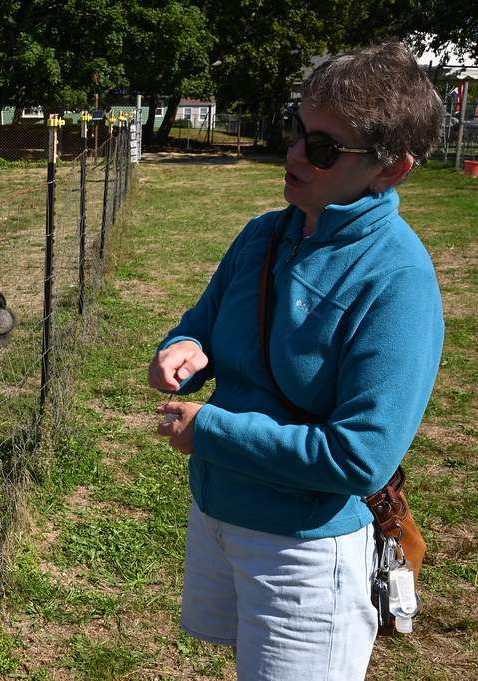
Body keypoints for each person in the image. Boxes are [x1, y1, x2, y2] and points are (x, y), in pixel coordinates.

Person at [147, 42, 444, 680]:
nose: (292, 155)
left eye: (323, 148)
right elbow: (200, 323)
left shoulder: (398, 281)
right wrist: (183, 350)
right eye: (296, 130)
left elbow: (360, 455)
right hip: (220, 513)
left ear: (390, 171)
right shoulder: (263, 233)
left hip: (304, 551)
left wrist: (211, 431)